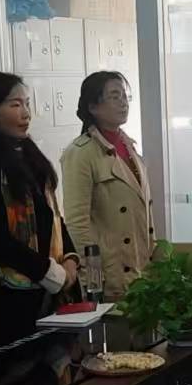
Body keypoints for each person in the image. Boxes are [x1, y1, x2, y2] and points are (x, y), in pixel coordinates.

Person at [0, 71, 79, 348]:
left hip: (49, 292)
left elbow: (53, 216)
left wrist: (70, 260)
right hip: (8, 300)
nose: (26, 113)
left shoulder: (29, 156)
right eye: (15, 105)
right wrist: (49, 273)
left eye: (27, 103)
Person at [60, 71, 154, 298]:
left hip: (139, 267)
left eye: (125, 96)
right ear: (93, 107)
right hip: (108, 272)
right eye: (114, 96)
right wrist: (93, 279)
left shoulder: (129, 146)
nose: (123, 102)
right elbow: (77, 223)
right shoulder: (80, 153)